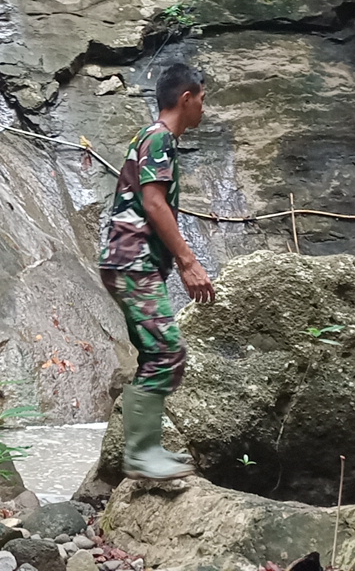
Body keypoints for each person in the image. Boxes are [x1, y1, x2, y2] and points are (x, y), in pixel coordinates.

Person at [97, 62, 215, 481]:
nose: (204, 108)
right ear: (186, 98)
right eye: (202, 99)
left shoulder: (149, 137)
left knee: (154, 353)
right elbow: (153, 202)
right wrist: (188, 262)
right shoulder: (160, 137)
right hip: (134, 262)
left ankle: (143, 453)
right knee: (168, 352)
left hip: (127, 261)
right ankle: (141, 455)